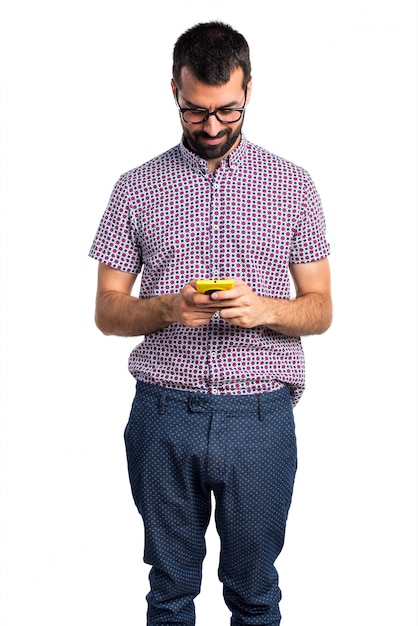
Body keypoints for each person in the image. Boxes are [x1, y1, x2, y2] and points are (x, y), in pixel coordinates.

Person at [89, 21, 332, 626]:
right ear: (174, 89)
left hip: (261, 414)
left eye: (229, 111)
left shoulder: (293, 184)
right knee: (170, 593)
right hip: (163, 412)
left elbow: (321, 307)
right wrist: (166, 307)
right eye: (196, 112)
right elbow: (106, 310)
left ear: (250, 90)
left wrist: (269, 310)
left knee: (255, 593)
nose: (214, 126)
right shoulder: (135, 187)